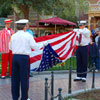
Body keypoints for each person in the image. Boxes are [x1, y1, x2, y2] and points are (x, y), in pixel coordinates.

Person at [9, 19, 47, 100]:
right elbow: (35, 46)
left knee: (15, 78)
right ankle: (24, 97)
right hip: (24, 58)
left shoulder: (13, 36)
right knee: (24, 78)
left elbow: (10, 47)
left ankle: (15, 97)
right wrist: (43, 44)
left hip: (15, 57)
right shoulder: (28, 36)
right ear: (24, 27)